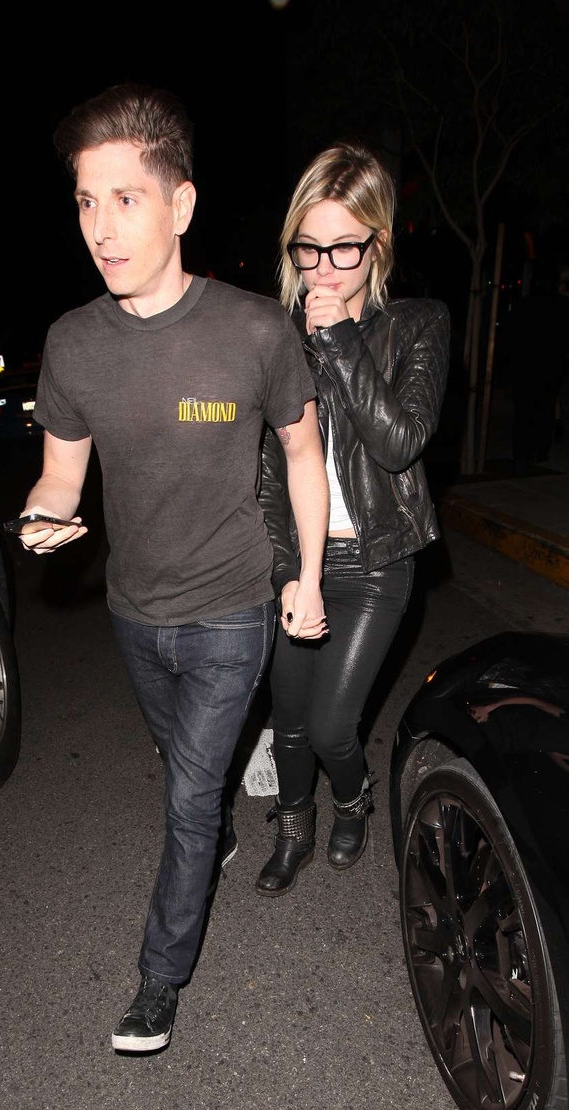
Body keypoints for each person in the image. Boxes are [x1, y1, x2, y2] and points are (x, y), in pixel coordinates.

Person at [13, 83, 329, 1052]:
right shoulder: (72, 344)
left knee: (186, 797)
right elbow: (60, 476)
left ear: (180, 205)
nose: (100, 229)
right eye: (85, 202)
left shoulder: (254, 331)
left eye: (125, 199)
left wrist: (308, 577)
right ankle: (218, 822)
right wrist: (41, 516)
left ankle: (159, 980)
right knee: (183, 767)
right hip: (133, 611)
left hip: (232, 605)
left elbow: (303, 454)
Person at [255, 141, 450, 896]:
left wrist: (339, 339)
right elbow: (269, 474)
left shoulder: (419, 325)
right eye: (308, 248)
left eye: (344, 248)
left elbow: (399, 444)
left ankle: (351, 798)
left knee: (333, 725)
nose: (324, 269)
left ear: (379, 242)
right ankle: (294, 824)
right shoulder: (276, 337)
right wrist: (286, 574)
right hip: (302, 561)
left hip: (377, 562)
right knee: (288, 717)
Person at [502, 262, 569, 475]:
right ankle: (539, 449)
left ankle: (522, 453)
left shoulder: (523, 305)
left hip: (525, 365)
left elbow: (509, 336)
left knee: (524, 410)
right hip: (551, 365)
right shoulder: (562, 306)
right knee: (545, 407)